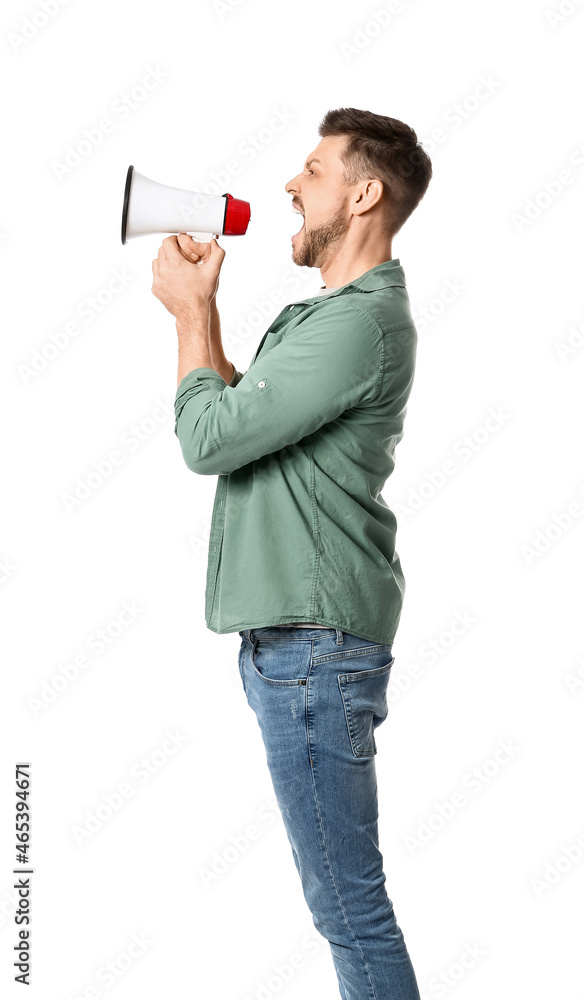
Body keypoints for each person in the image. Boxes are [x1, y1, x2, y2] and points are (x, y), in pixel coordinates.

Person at [151, 106, 432, 1000]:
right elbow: (246, 420)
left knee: (348, 907)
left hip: (316, 649)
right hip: (299, 643)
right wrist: (207, 313)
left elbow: (208, 439)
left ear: (364, 195)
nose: (288, 184)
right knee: (344, 901)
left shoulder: (359, 324)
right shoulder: (333, 317)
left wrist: (188, 314)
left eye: (312, 170)